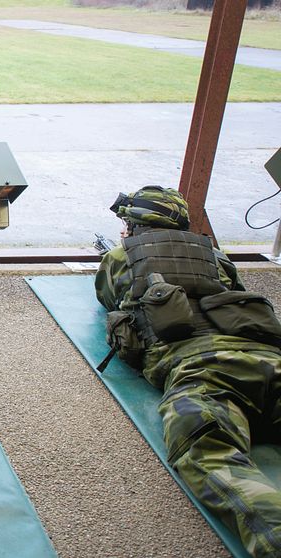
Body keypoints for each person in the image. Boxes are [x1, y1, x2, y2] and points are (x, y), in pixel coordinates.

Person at [95, 185, 281, 557]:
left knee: (210, 455)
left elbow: (107, 295)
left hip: (202, 371)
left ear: (134, 226)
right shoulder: (215, 254)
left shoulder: (119, 256)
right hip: (270, 360)